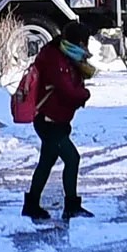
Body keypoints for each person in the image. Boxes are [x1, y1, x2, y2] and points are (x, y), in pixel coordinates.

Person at [22, 20, 95, 221]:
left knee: (46, 161)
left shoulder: (64, 55)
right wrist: (84, 94)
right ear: (76, 42)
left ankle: (32, 204)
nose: (85, 48)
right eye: (83, 43)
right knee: (72, 158)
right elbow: (66, 90)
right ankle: (71, 205)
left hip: (57, 119)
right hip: (48, 120)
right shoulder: (54, 58)